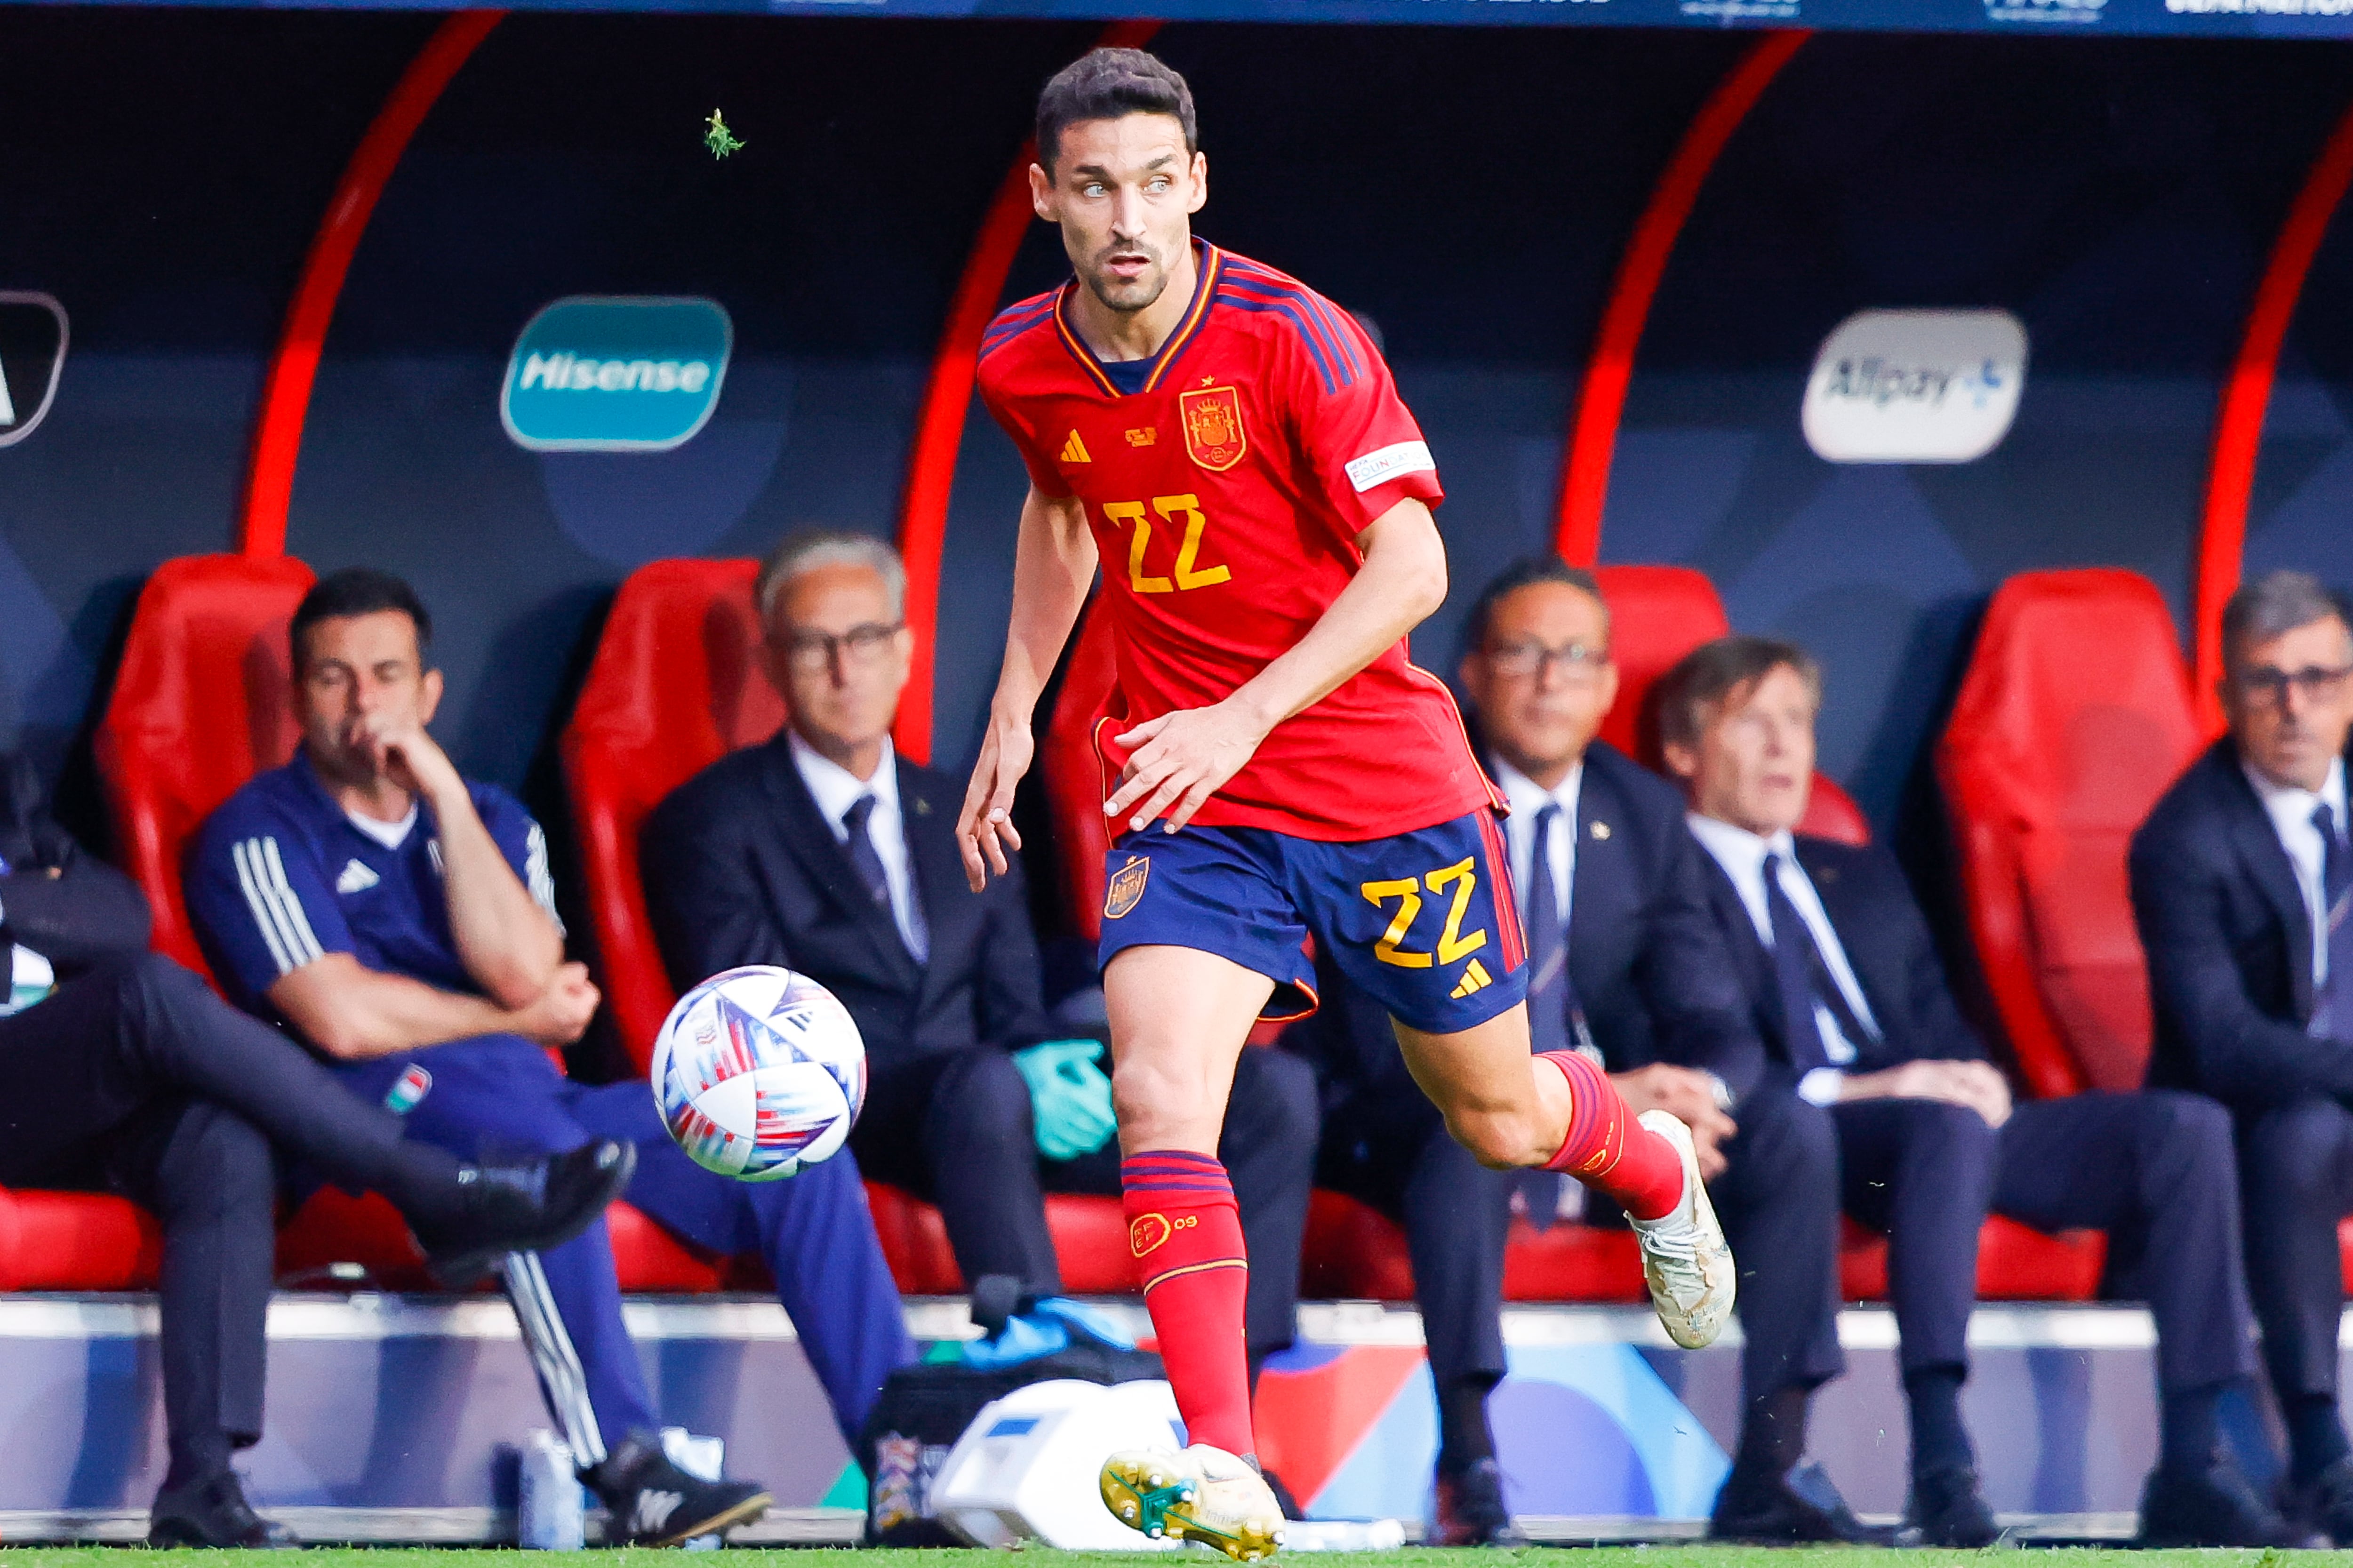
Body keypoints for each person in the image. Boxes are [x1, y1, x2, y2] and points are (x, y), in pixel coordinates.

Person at [958, 47, 1733, 1558]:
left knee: (1498, 1113)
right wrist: (1014, 699)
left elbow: (1416, 569)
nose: (1129, 217)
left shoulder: (1290, 335)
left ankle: (1648, 1164)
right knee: (1160, 1089)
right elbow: (1065, 502)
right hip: (1193, 796)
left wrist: (1246, 711)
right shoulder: (1019, 360)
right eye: (1095, 186)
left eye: (1155, 183)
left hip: (1380, 788)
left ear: (1198, 184)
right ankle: (1224, 1458)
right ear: (1045, 197)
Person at [185, 568, 914, 1547]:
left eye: (388, 675)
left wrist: (438, 790)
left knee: (793, 1149)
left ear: (428, 694)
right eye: (333, 678)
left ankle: (905, 1462)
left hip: (543, 1099)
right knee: (540, 1156)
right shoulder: (258, 832)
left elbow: (530, 969)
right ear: (298, 696)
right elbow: (340, 1020)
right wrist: (507, 1012)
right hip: (378, 1123)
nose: (365, 705)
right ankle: (630, 1467)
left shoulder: (486, 816)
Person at [642, 529, 1315, 1385]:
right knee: (986, 1082)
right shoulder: (711, 821)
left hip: (989, 1107)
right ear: (770, 664)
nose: (845, 670)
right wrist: (1005, 1070)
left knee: (1269, 1091)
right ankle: (1037, 1351)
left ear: (904, 652)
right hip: (857, 1112)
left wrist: (1051, 1058)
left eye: (866, 640)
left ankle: (1232, 1395)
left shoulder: (966, 803)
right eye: (815, 646)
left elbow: (1012, 1002)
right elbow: (753, 1031)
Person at [1660, 633, 2287, 1549]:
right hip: (1796, 1143)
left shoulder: (1858, 872)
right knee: (1943, 1126)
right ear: (1683, 751)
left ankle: (2195, 1462)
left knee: (2182, 1128)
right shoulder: (1666, 877)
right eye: (1752, 724)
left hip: (1932, 1136)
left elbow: (1939, 1026)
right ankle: (1941, 1457)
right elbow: (1712, 1053)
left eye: (1797, 722)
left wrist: (1974, 1077)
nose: (1783, 748)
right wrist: (1889, 1086)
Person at [0, 751, 630, 1547]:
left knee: (218, 1140)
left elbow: (114, 914)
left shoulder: (12, 796)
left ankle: (202, 1482)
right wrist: (35, 901)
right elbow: (96, 938)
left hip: (39, 1096)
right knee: (143, 994)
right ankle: (433, 1188)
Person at [1282, 557, 1744, 1545]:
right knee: (1475, 1133)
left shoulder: (1647, 813)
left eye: (1574, 657)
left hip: (1585, 1114)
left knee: (1781, 1128)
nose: (1549, 680)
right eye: (1523, 653)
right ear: (1473, 672)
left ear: (1610, 686)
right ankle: (1471, 1455)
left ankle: (1780, 1460)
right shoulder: (1409, 792)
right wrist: (1593, 1095)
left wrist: (1693, 1090)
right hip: (1403, 1103)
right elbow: (1379, 1022)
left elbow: (1711, 1008)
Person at [2133, 568, 2353, 1544]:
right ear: (2223, 697)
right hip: (2260, 1120)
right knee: (2301, 1137)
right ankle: (2320, 1451)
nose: (2293, 704)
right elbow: (2220, 1042)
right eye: (2265, 682)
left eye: (2317, 676)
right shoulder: (2181, 837)